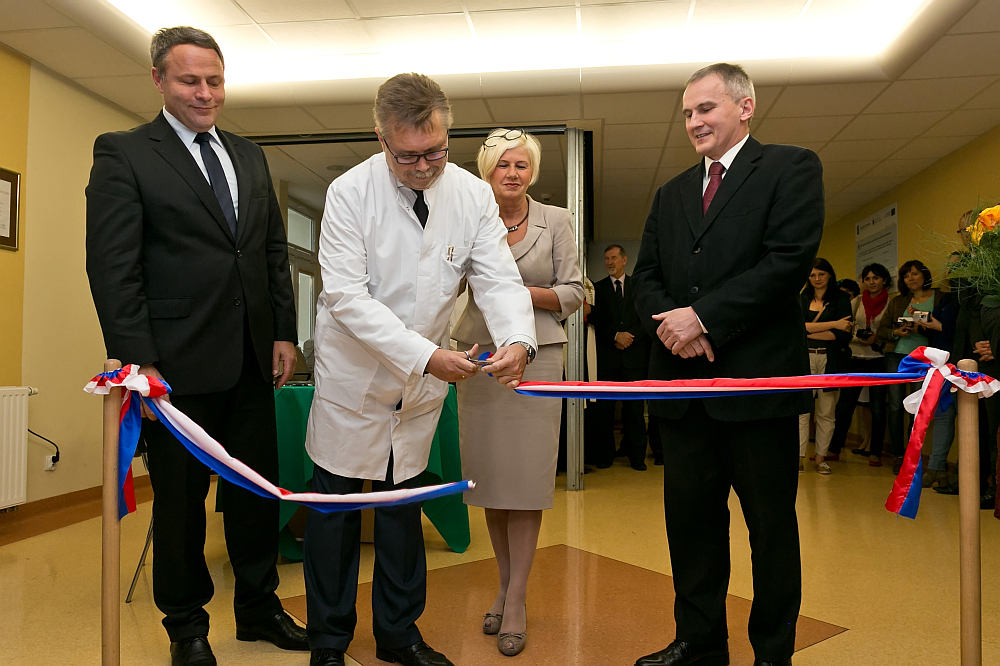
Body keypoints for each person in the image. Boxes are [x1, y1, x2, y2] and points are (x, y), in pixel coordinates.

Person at [85, 27, 306, 666]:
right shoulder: (125, 153)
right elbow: (113, 265)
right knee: (181, 505)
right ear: (159, 80)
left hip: (250, 359)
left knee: (257, 492)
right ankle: (186, 627)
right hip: (174, 367)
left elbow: (270, 251)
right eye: (190, 81)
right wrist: (139, 360)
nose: (206, 93)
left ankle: (259, 608)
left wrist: (282, 331)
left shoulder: (249, 155)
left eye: (214, 80)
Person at [303, 74, 537, 666]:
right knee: (333, 515)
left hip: (418, 387)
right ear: (380, 137)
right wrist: (425, 356)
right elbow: (347, 297)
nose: (425, 167)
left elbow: (497, 279)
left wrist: (517, 338)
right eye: (408, 156)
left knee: (402, 511)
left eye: (436, 151)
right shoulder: (349, 193)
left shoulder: (472, 195)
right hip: (356, 380)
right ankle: (328, 640)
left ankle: (398, 635)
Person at [632, 62, 823, 666]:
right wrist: (675, 328)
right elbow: (646, 278)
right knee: (690, 527)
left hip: (757, 390)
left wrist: (703, 319)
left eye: (705, 108)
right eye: (687, 113)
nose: (694, 122)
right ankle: (699, 641)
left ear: (745, 107)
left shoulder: (791, 167)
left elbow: (786, 262)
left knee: (771, 530)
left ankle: (772, 652)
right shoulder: (671, 193)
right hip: (682, 392)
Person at [452, 128, 584, 657]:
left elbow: (574, 292)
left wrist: (511, 291)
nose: (512, 173)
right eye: (502, 165)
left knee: (525, 480)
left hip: (540, 357)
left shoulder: (557, 220)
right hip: (481, 355)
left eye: (521, 165)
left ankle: (517, 599)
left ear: (533, 172)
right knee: (491, 480)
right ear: (487, 172)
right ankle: (504, 587)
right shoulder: (468, 219)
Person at [875, 260, 942, 475]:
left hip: (924, 358)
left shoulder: (939, 298)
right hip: (896, 356)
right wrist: (896, 332)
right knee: (895, 406)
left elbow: (946, 328)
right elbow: (882, 329)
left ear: (924, 275)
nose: (910, 278)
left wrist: (920, 328)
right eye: (906, 275)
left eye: (914, 273)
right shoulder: (899, 301)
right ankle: (898, 455)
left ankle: (914, 456)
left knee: (917, 407)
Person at [589, 245, 653, 470]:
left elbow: (647, 317)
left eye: (614, 258)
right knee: (605, 411)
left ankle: (637, 457)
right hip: (608, 359)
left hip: (634, 360)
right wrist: (616, 335)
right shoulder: (597, 289)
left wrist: (630, 337)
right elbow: (596, 319)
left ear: (624, 260)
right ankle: (605, 456)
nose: (609, 262)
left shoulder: (639, 287)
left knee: (634, 411)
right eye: (606, 258)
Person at [829, 263, 893, 467]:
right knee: (845, 406)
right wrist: (860, 338)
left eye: (876, 278)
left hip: (878, 359)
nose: (872, 282)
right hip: (854, 357)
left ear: (884, 280)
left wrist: (877, 338)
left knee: (878, 408)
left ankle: (875, 452)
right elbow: (845, 328)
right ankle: (834, 449)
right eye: (867, 279)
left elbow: (892, 330)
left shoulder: (891, 303)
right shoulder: (856, 301)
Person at [798, 258, 852, 475]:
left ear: (829, 274)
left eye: (821, 274)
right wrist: (834, 324)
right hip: (804, 360)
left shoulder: (841, 299)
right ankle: (798, 457)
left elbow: (842, 335)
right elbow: (796, 329)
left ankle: (821, 458)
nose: (817, 278)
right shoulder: (801, 298)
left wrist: (810, 331)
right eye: (812, 275)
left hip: (831, 360)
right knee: (802, 411)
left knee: (827, 411)